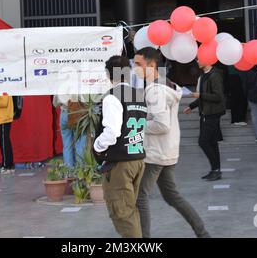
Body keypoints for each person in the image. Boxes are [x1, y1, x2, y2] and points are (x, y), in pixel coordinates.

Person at [134, 48, 210, 238]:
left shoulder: (156, 91)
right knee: (172, 196)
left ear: (151, 65)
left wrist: (137, 126)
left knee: (140, 196)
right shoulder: (168, 85)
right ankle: (202, 233)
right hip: (167, 150)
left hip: (156, 152)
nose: (134, 68)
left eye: (138, 64)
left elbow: (161, 125)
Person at [93, 55, 147, 238]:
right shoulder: (138, 95)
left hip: (120, 163)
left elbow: (112, 132)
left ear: (108, 74)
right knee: (130, 211)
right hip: (137, 158)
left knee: (122, 213)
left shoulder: (112, 97)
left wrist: (97, 145)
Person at [184, 59, 226, 182]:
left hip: (212, 113)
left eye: (200, 59)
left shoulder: (215, 75)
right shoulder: (204, 76)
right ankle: (215, 170)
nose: (197, 61)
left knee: (203, 142)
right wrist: (191, 106)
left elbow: (218, 96)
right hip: (205, 113)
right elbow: (204, 96)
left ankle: (215, 169)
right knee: (212, 142)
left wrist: (200, 95)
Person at [53, 95, 87, 168]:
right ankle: (80, 170)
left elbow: (55, 103)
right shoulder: (78, 84)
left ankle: (68, 171)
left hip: (64, 113)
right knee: (80, 144)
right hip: (77, 113)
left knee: (67, 145)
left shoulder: (59, 84)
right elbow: (85, 100)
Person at [241, 66, 257, 143]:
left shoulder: (247, 71)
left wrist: (246, 94)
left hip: (251, 95)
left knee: (254, 116)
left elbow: (244, 84)